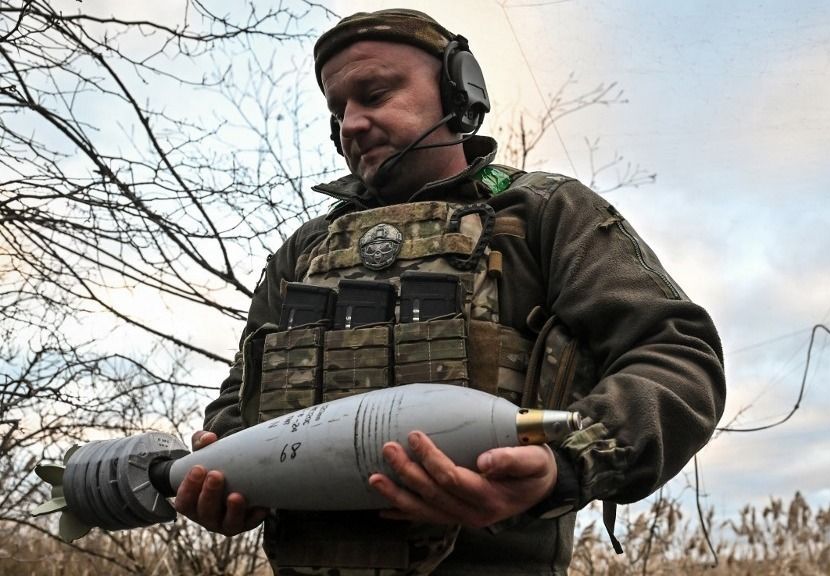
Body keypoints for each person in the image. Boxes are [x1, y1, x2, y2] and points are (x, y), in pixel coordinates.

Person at [174, 8, 726, 576]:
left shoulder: (543, 214)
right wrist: (221, 475)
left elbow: (677, 358)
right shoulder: (304, 251)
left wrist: (561, 464)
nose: (352, 125)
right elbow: (241, 399)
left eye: (375, 94)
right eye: (338, 111)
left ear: (459, 95)